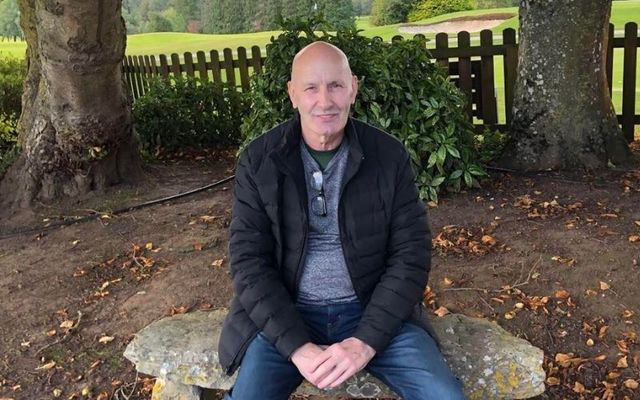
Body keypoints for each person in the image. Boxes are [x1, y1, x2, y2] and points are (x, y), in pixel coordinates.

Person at [218, 41, 466, 400]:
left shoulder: (388, 156)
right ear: (292, 95)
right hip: (288, 315)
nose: (325, 100)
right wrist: (297, 348)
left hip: (371, 311)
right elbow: (248, 263)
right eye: (311, 88)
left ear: (353, 88)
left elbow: (410, 255)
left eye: (336, 85)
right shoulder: (260, 161)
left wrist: (365, 341)